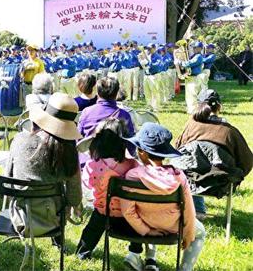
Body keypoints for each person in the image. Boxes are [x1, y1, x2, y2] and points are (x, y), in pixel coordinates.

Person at [122, 123, 206, 271]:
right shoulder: (179, 177)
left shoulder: (131, 177)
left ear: (142, 152)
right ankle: (185, 269)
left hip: (145, 220)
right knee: (200, 233)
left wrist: (146, 231)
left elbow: (128, 211)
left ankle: (150, 259)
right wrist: (188, 234)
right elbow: (189, 210)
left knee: (152, 215)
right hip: (173, 224)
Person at [5, 92, 82, 237]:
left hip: (20, 218)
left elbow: (8, 180)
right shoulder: (69, 153)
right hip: (55, 220)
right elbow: (75, 197)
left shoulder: (19, 140)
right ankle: (58, 241)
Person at [175, 89, 253, 218]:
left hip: (190, 182)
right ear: (219, 107)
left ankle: (196, 211)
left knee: (192, 169)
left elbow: (177, 151)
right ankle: (199, 210)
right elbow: (247, 162)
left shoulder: (190, 126)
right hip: (220, 184)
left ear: (198, 105)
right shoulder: (229, 131)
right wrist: (237, 176)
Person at [76, 118, 139, 260]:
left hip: (103, 213)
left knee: (91, 230)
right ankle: (135, 251)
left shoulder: (92, 165)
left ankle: (83, 252)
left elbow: (87, 184)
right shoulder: (132, 165)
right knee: (139, 224)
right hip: (127, 216)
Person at [182, 41, 204, 114]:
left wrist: (181, 63)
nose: (194, 49)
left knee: (192, 94)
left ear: (200, 48)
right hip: (190, 77)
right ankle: (190, 109)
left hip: (194, 77)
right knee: (188, 94)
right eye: (194, 48)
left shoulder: (198, 56)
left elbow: (190, 63)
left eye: (196, 48)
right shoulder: (195, 56)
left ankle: (194, 110)